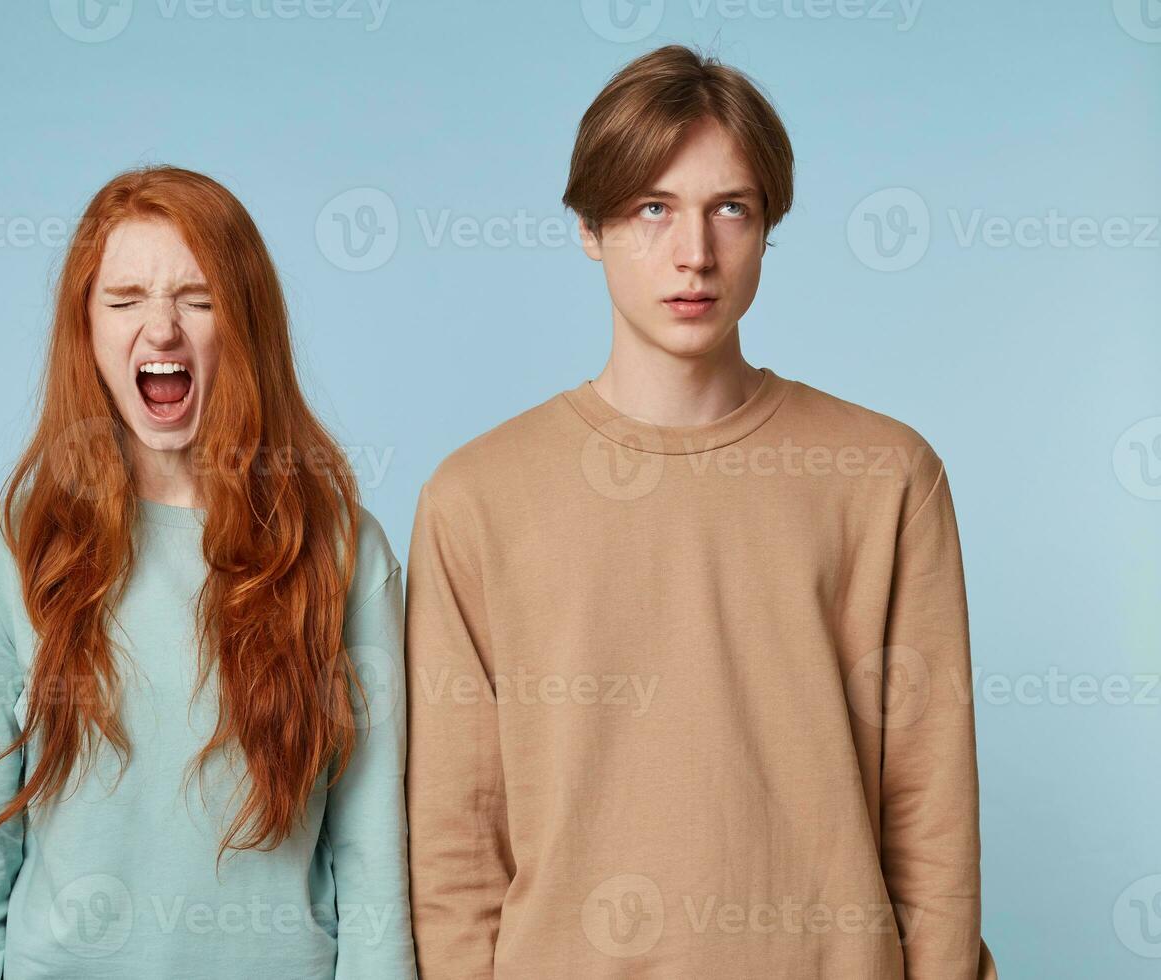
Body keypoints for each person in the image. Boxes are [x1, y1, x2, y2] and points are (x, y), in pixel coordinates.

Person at [404, 45, 997, 978]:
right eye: (652, 208)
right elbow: (454, 851)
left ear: (767, 228)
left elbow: (934, 819)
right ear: (589, 230)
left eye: (732, 208)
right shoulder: (475, 498)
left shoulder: (885, 477)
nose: (695, 253)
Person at [0, 166, 416, 979]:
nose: (161, 329)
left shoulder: (341, 550)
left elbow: (372, 856)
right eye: (124, 300)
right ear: (86, 329)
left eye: (198, 297)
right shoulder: (2, 553)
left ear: (245, 321)